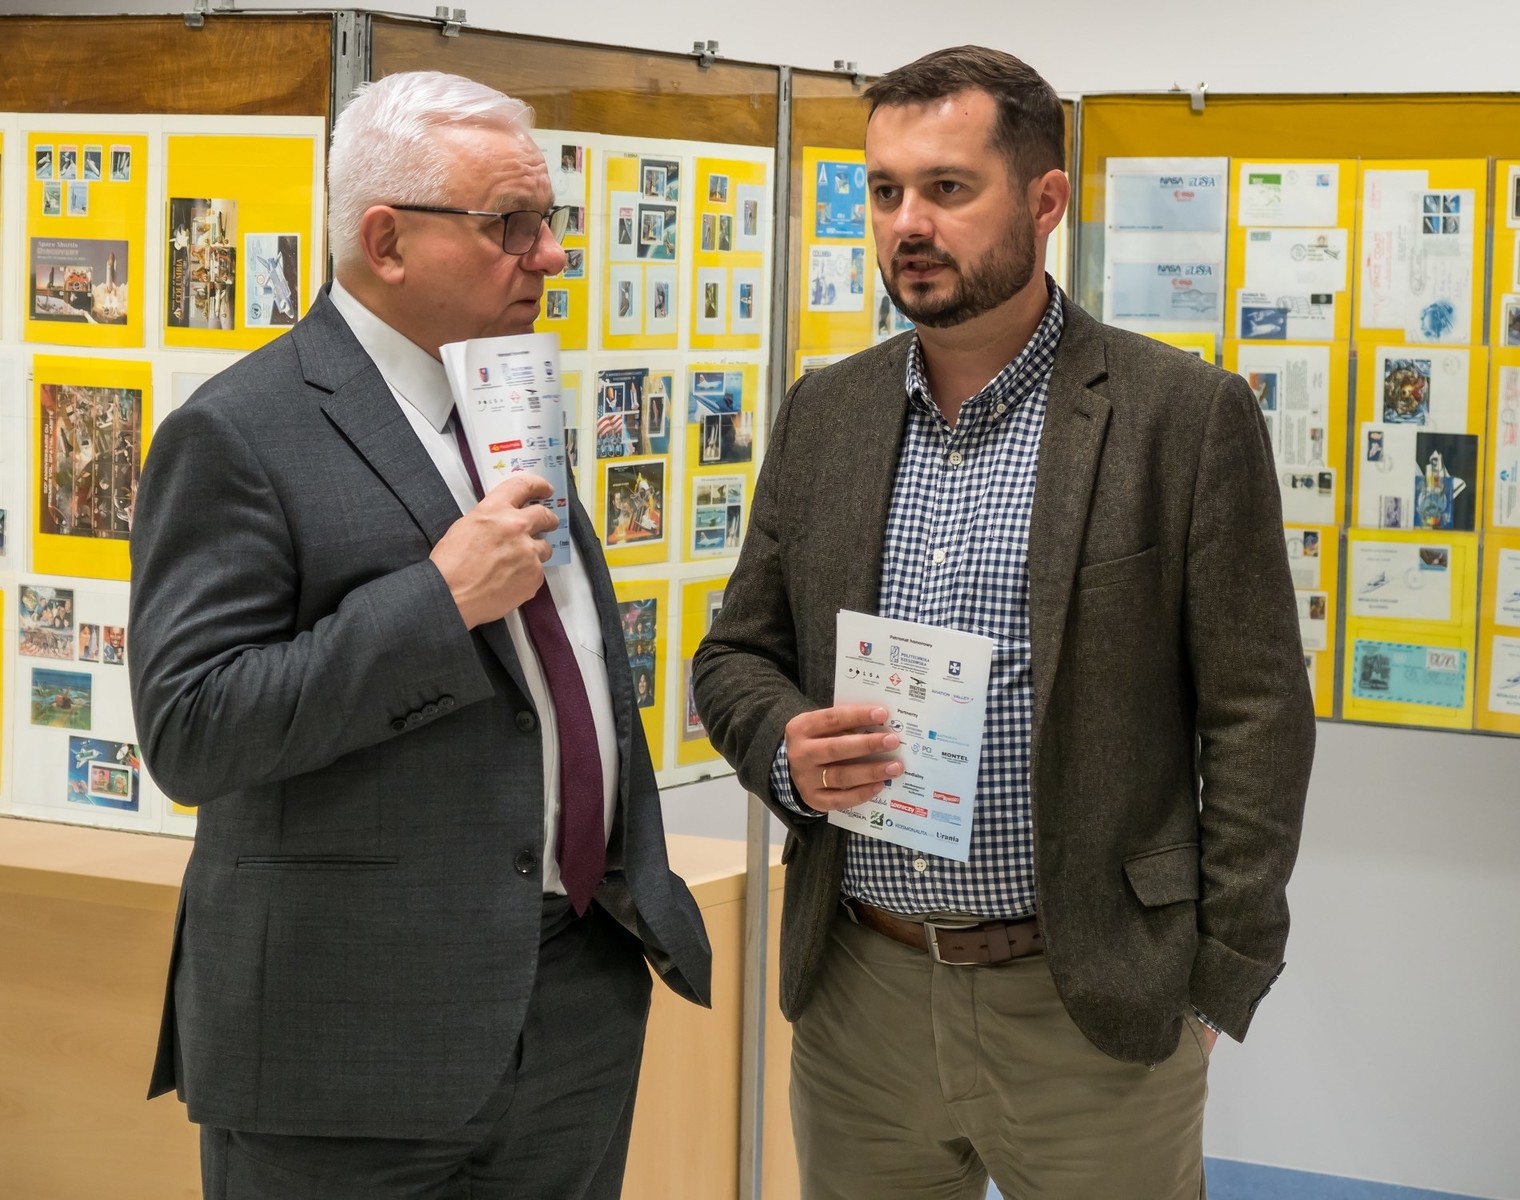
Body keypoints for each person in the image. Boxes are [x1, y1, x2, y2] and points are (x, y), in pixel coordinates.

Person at [693, 45, 1313, 1200]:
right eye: (885, 192)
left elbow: (1257, 715)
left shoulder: (1180, 416)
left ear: (1044, 200)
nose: (907, 225)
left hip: (1088, 1006)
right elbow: (737, 655)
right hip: (861, 995)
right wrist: (784, 748)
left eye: (946, 188)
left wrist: (1214, 982)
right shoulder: (826, 414)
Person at [129, 71, 710, 1200]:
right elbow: (193, 730)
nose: (551, 256)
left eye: (550, 221)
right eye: (512, 224)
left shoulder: (507, 401)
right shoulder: (238, 432)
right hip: (350, 1038)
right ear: (386, 241)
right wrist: (436, 604)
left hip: (572, 1002)